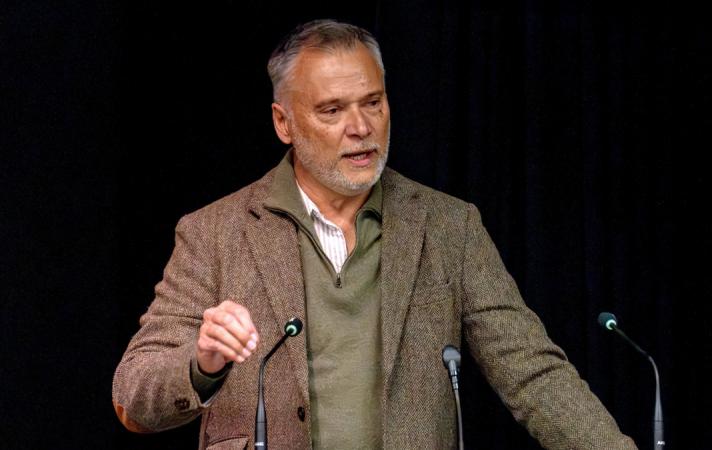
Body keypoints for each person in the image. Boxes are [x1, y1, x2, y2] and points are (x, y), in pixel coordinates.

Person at [112, 19, 637, 450]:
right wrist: (202, 363)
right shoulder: (215, 232)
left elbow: (532, 374)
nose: (361, 127)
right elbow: (133, 397)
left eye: (373, 102)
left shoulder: (448, 227)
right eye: (332, 110)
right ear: (284, 122)